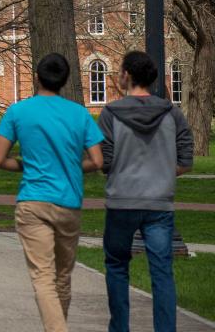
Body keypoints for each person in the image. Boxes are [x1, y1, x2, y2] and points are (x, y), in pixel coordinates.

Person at [0, 53, 104, 332]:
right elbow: (98, 161)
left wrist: (25, 164)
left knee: (43, 276)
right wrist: (71, 165)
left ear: (36, 77)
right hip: (69, 203)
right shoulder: (79, 113)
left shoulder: (18, 111)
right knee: (63, 276)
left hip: (33, 200)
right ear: (65, 81)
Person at [99, 51, 194, 332]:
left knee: (117, 267)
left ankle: (120, 328)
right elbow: (186, 159)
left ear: (126, 75)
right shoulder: (172, 113)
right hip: (159, 203)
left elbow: (105, 160)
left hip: (121, 201)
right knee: (162, 272)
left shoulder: (110, 113)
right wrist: (163, 172)